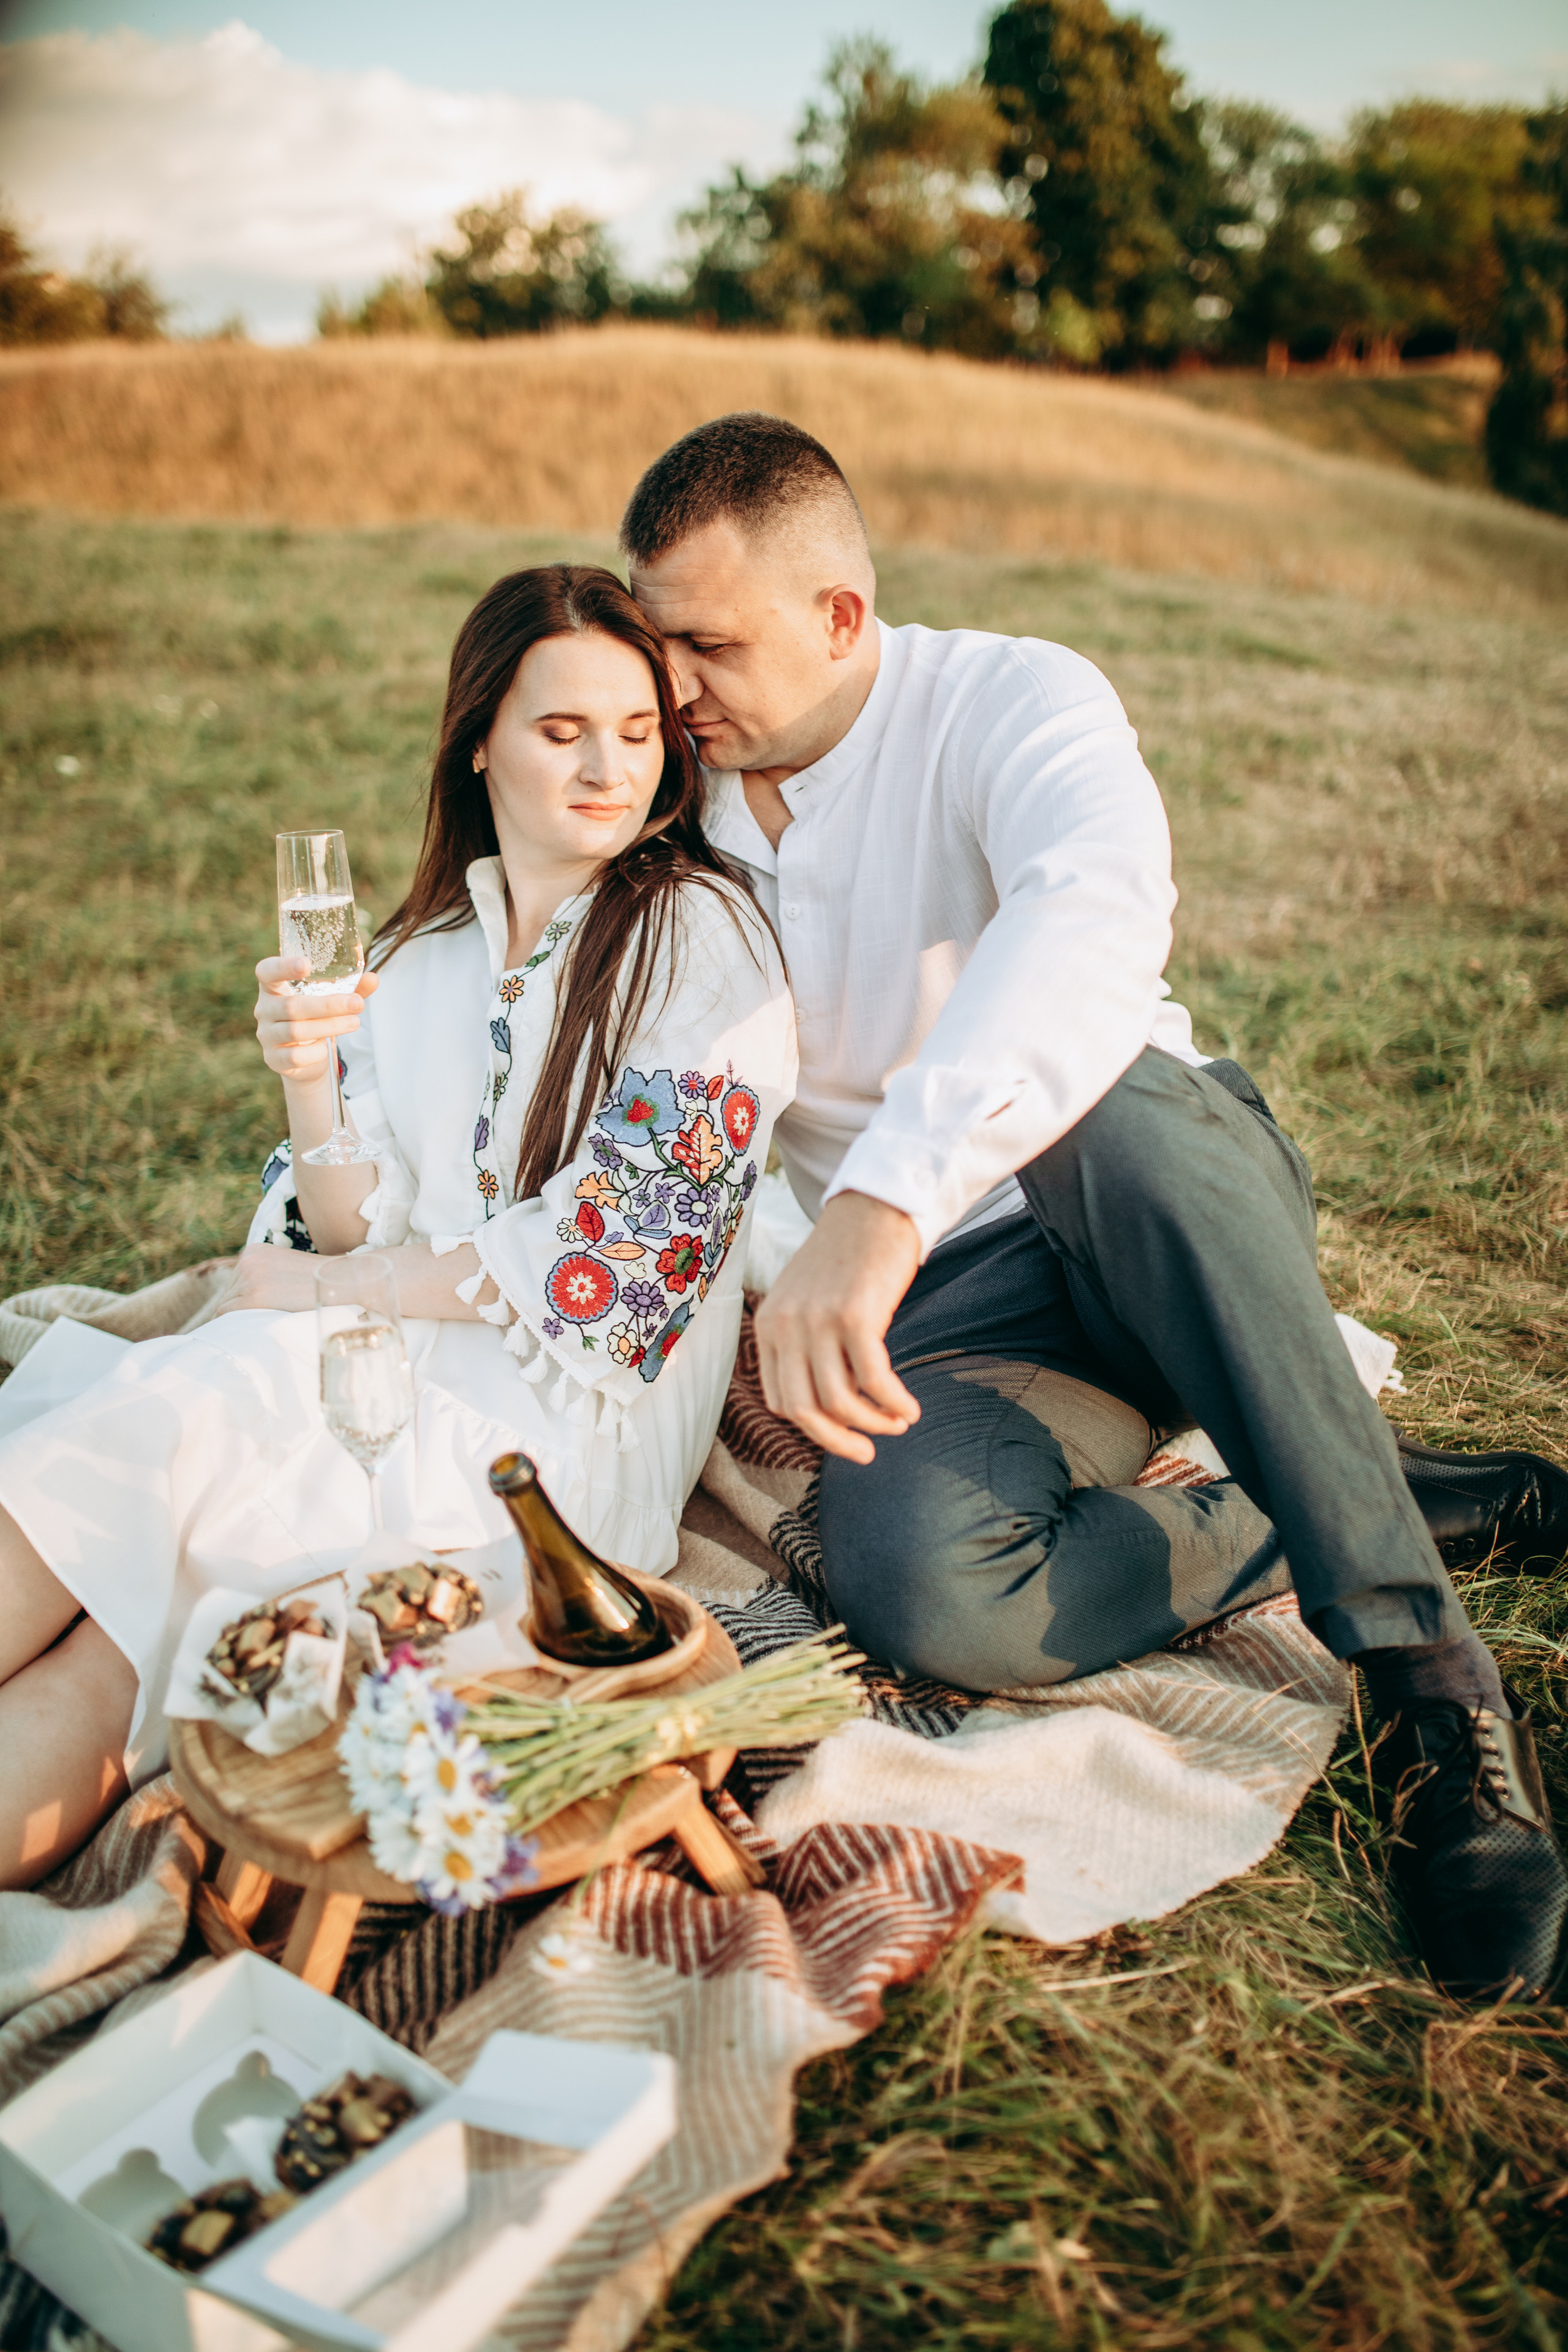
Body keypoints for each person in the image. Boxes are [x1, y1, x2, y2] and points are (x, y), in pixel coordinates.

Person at [622, 412, 1567, 2005]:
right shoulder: (683, 800)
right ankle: (1343, 1480)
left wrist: (881, 1201)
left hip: (1158, 1200)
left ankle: (1426, 1682)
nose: (674, 689)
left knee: (1104, 1103)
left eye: (707, 645)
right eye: (656, 646)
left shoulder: (1009, 697)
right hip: (972, 1315)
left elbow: (1089, 928)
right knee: (930, 1595)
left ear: (839, 615)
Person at [0, 564, 794, 1888]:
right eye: (561, 731)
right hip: (381, 1367)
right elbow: (331, 1227)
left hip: (556, 1455)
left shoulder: (701, 941)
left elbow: (615, 1276)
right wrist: (308, 1077)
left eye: (637, 732)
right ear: (477, 738)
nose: (608, 768)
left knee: (180, 1427)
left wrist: (318, 1294)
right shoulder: (420, 944)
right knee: (136, 1580)